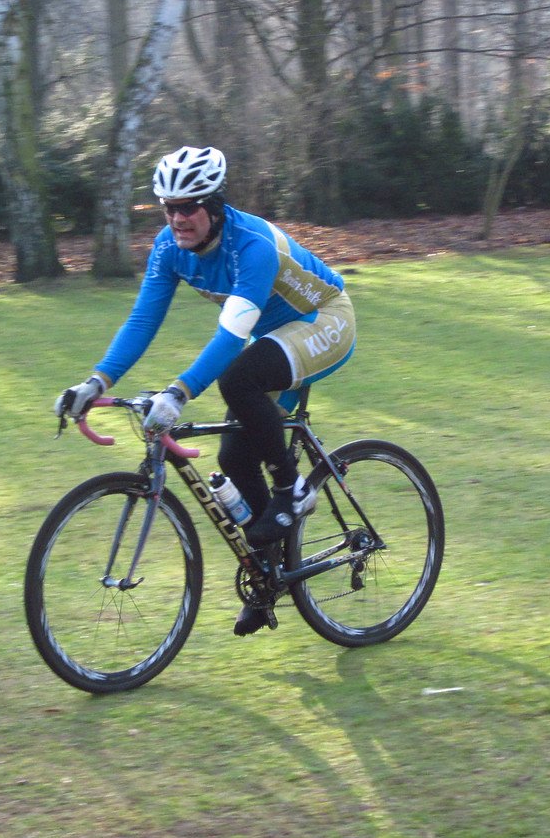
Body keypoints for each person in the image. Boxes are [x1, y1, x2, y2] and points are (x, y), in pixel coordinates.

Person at [55, 145, 356, 634]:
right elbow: (143, 320)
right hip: (273, 336)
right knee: (235, 458)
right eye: (169, 208)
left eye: (189, 207)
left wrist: (178, 393)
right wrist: (95, 381)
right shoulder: (169, 248)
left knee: (237, 379)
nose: (178, 219)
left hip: (325, 321)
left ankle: (293, 489)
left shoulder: (252, 245)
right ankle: (269, 576)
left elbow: (232, 337)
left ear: (215, 206)